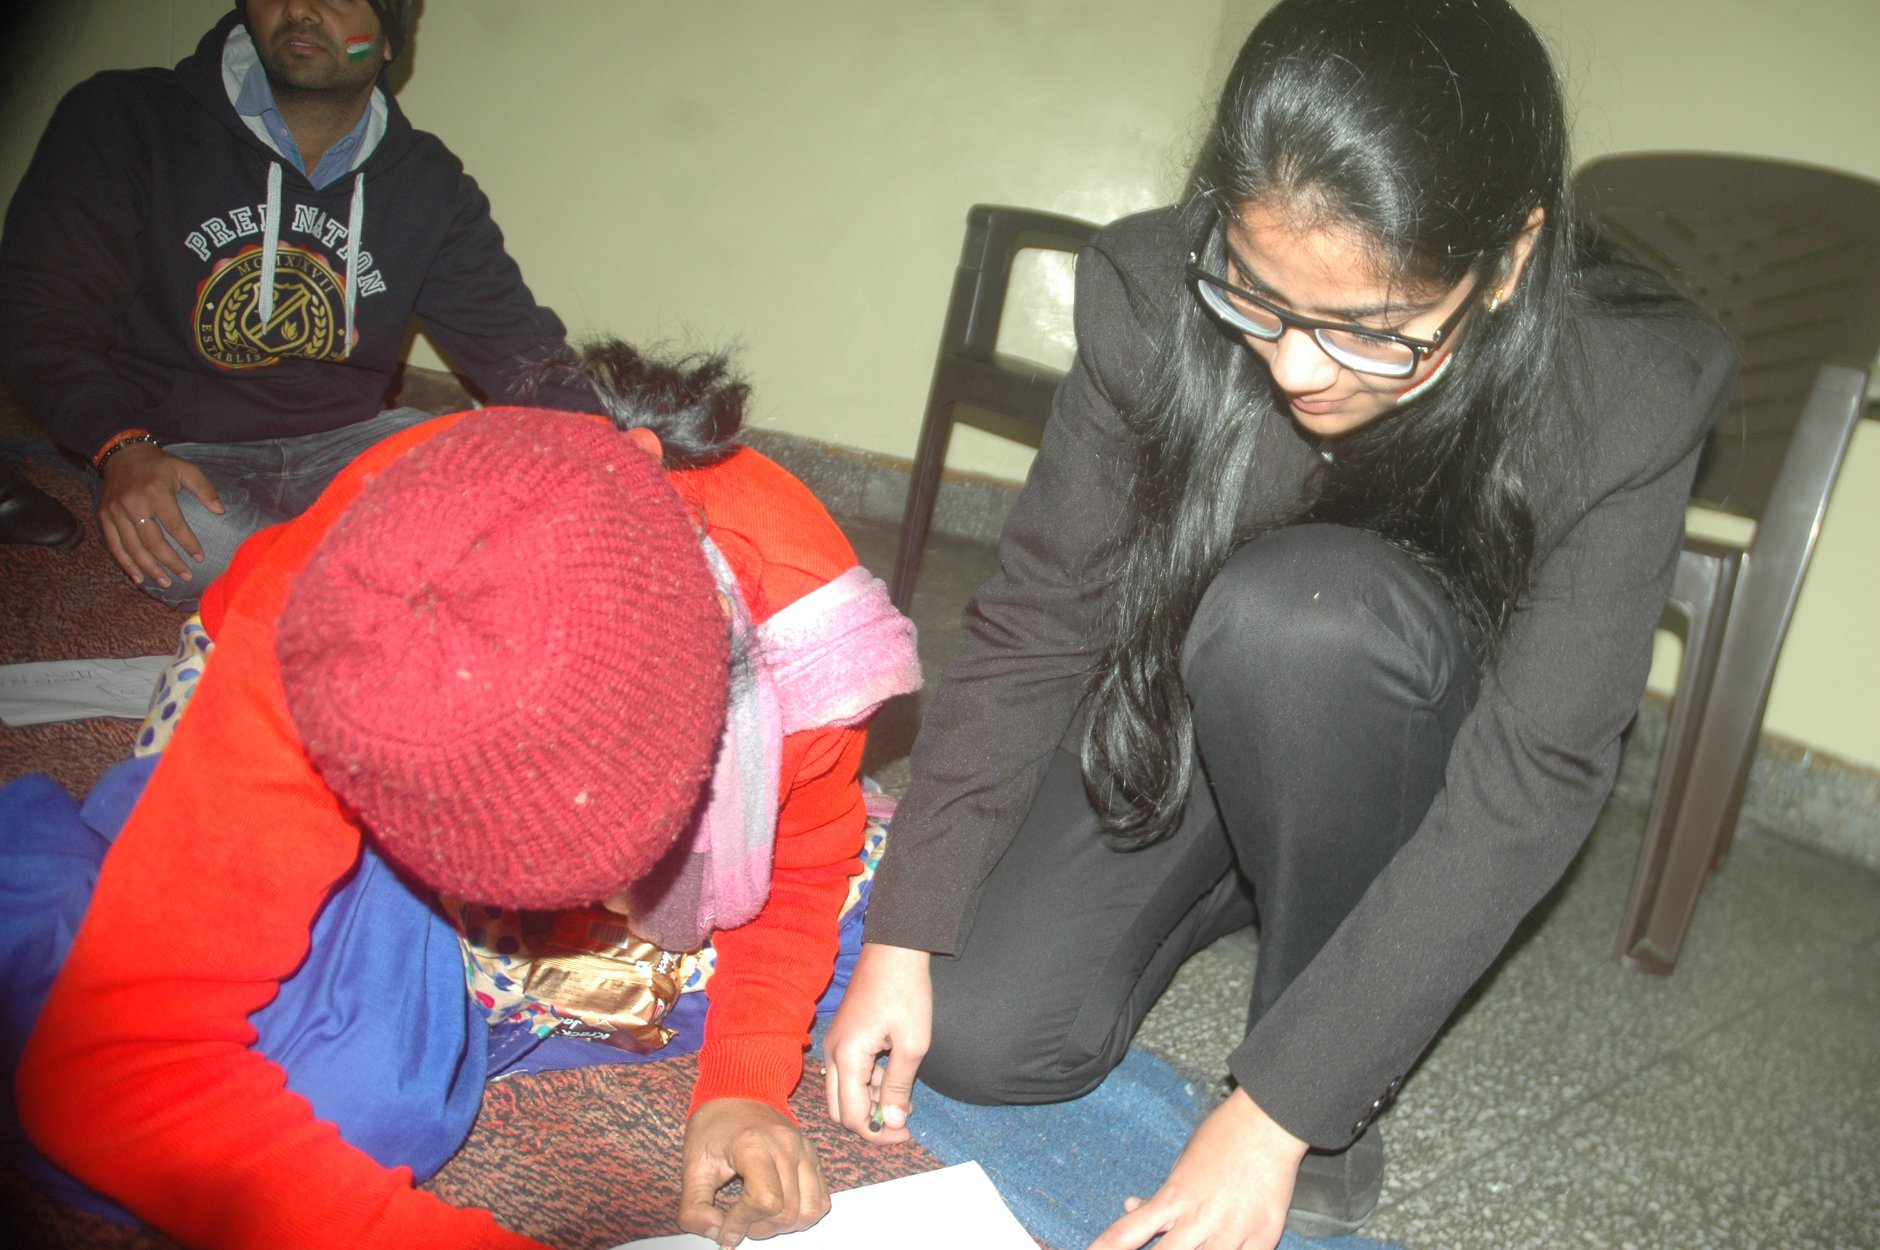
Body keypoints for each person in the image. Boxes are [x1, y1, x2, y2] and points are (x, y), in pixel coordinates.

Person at [823, 2, 1734, 1249]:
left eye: (1371, 327)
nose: (1300, 367)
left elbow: (1538, 775)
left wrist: (1279, 1107)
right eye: (1256, 297)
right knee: (978, 1037)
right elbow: (1039, 616)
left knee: (1305, 619)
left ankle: (1321, 969)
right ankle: (1260, 862)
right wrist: (907, 924)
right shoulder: (1148, 294)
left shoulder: (1621, 385)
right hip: (1196, 714)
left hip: (1400, 734)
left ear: (1510, 258)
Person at [12, 342, 921, 1249]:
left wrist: (743, 1083)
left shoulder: (802, 634)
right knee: (359, 1101)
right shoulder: (324, 628)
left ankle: (457, 974)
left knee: (873, 951)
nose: (598, 905)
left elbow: (802, 864)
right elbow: (115, 1066)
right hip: (286, 724)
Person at [0, 0, 597, 610]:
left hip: (350, 441)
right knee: (195, 540)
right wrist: (118, 444)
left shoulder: (428, 182)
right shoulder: (125, 118)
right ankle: (391, 587)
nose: (301, 8)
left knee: (490, 476)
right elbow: (42, 315)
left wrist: (621, 454)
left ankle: (325, 587)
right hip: (179, 451)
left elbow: (522, 353)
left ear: (387, 38)